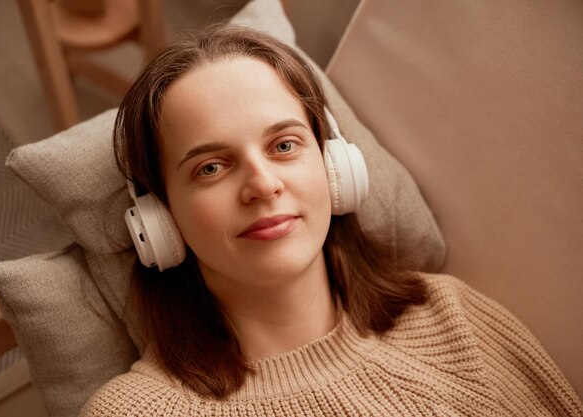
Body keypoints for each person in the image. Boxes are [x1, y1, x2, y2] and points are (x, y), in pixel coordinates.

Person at [80, 24, 582, 416]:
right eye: (211, 167)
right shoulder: (135, 412)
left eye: (284, 145)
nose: (263, 185)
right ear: (159, 218)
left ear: (334, 167)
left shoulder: (448, 318)